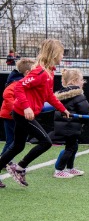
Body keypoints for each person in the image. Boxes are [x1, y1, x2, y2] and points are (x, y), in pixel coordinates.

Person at [0, 39, 70, 188]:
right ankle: (20, 168)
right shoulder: (40, 73)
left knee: (17, 146)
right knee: (46, 142)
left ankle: (17, 168)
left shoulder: (50, 72)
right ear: (55, 54)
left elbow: (49, 95)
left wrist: (62, 108)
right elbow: (19, 87)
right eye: (62, 53)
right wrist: (26, 107)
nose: (63, 56)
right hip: (21, 113)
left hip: (23, 113)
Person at [53, 68, 89, 178]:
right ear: (74, 81)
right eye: (81, 80)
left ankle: (70, 168)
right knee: (70, 148)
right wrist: (85, 121)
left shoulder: (61, 94)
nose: (83, 82)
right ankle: (59, 170)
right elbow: (84, 111)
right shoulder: (79, 95)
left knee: (73, 146)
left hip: (66, 125)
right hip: (71, 126)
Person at [0, 58, 36, 156]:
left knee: (13, 140)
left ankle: (5, 159)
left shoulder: (22, 82)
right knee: (13, 140)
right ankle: (5, 160)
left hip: (13, 115)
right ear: (27, 72)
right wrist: (15, 110)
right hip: (10, 116)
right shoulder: (17, 83)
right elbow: (7, 94)